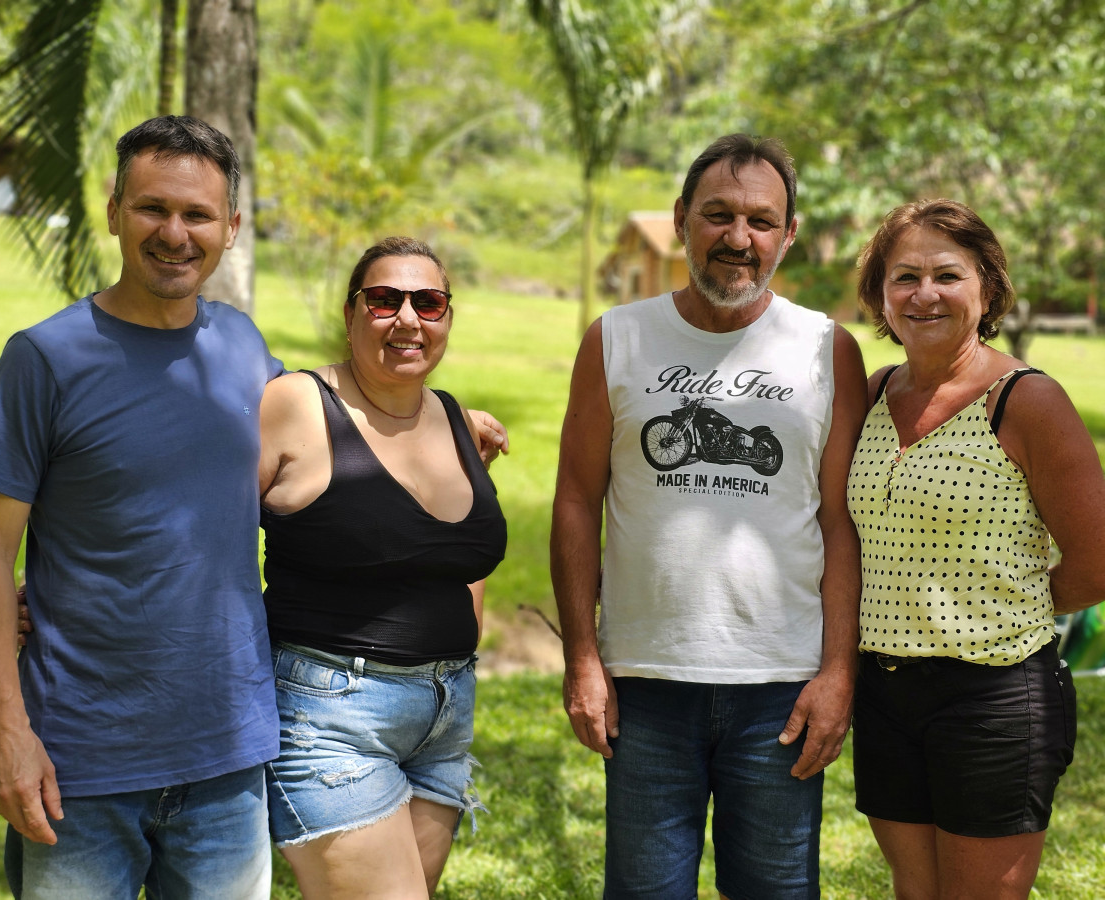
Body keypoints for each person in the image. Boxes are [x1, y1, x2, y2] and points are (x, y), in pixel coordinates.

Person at [0, 116, 506, 900]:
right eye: (152, 208)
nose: (174, 233)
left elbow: (339, 426)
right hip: (80, 756)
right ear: (113, 210)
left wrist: (447, 429)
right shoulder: (45, 358)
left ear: (232, 229)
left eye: (198, 215)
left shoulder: (245, 351)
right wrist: (4, 729)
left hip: (230, 755)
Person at [550, 133, 867, 899]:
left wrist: (836, 671)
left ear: (788, 235)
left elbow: (839, 524)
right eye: (718, 215)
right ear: (682, 220)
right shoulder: (616, 338)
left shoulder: (829, 349)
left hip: (780, 686)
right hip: (647, 679)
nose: (739, 238)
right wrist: (584, 659)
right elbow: (575, 500)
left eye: (761, 221)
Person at [847, 199, 1105, 899]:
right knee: (915, 892)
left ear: (986, 289)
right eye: (904, 277)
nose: (924, 294)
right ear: (880, 295)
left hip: (994, 697)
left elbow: (1095, 561)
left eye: (947, 275)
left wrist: (1004, 603)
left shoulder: (1025, 401)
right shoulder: (870, 396)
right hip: (885, 692)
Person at [257, 236, 507, 899]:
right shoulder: (294, 405)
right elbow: (207, 534)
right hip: (330, 714)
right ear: (350, 313)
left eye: (428, 303)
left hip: (444, 714)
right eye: (384, 300)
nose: (407, 319)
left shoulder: (457, 420)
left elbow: (457, 559)